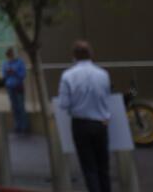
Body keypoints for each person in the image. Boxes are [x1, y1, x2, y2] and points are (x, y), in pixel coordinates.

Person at [57, 40, 111, 192]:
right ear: (91, 54)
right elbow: (106, 96)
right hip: (101, 123)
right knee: (103, 167)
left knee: (89, 168)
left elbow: (63, 104)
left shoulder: (68, 76)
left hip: (81, 124)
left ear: (74, 56)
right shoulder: (103, 74)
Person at [2, 47, 29, 134]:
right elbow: (4, 75)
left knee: (21, 106)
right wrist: (7, 73)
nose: (10, 56)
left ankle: (24, 126)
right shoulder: (6, 63)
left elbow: (23, 74)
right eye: (9, 55)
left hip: (18, 86)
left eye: (11, 54)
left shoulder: (20, 62)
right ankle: (17, 125)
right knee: (14, 107)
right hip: (10, 87)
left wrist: (15, 72)